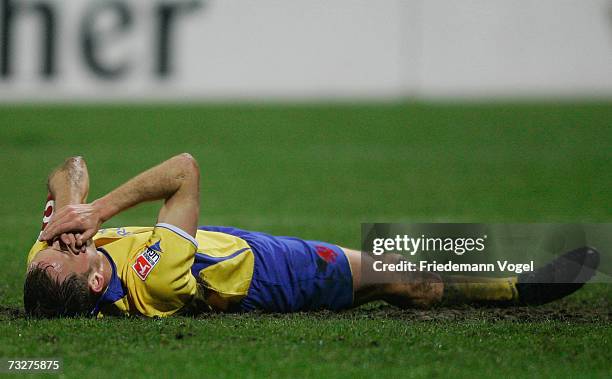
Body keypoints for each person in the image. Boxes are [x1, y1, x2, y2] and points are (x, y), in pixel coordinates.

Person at [24, 155, 600, 318]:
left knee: (396, 267)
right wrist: (96, 209)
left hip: (227, 245)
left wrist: (69, 209)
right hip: (270, 277)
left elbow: (68, 164)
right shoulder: (155, 280)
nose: (64, 242)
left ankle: (498, 270)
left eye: (53, 244)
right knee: (404, 275)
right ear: (101, 277)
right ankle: (517, 286)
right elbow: (184, 169)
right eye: (72, 249)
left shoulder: (49, 263)